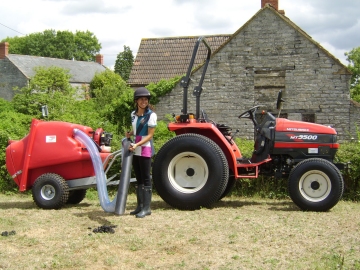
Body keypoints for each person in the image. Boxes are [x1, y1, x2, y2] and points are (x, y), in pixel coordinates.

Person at [126, 87, 157, 218]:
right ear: (136, 101)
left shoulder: (151, 115)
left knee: (145, 178)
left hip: (145, 147)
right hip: (135, 146)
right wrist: (130, 133)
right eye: (141, 99)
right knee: (138, 178)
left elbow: (149, 135)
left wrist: (136, 144)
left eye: (146, 99)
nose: (144, 101)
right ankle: (139, 206)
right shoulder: (133, 114)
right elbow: (137, 129)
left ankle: (146, 208)